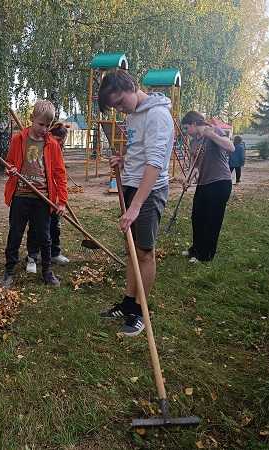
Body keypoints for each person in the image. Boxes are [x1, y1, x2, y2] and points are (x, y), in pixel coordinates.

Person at [96, 70, 175, 337]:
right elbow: (139, 149)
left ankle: (140, 311)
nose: (119, 109)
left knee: (144, 252)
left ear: (131, 86)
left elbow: (155, 163)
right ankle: (128, 303)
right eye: (114, 106)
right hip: (130, 185)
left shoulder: (158, 116)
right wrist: (124, 159)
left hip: (149, 192)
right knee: (131, 251)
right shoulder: (133, 116)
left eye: (120, 102)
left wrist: (136, 206)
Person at [1, 100, 68, 289]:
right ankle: (9, 271)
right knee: (15, 234)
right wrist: (11, 169)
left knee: (44, 237)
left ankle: (47, 271)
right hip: (20, 196)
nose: (44, 129)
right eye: (41, 124)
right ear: (31, 119)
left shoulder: (52, 145)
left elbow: (59, 174)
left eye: (48, 126)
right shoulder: (18, 140)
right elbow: (10, 163)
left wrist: (61, 202)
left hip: (42, 198)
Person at [181, 111, 235, 263]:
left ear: (193, 124)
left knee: (212, 220)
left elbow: (231, 147)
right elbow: (194, 166)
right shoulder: (193, 142)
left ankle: (206, 255)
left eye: (186, 128)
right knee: (197, 217)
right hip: (203, 183)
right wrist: (188, 179)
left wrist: (212, 136)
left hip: (220, 182)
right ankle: (196, 249)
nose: (186, 132)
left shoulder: (213, 130)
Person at [25, 122, 70, 274]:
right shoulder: (42, 145)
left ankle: (54, 253)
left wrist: (62, 200)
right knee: (36, 228)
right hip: (38, 195)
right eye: (57, 140)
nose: (59, 144)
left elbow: (59, 174)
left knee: (54, 226)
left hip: (53, 197)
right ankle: (32, 257)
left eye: (61, 142)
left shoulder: (57, 148)